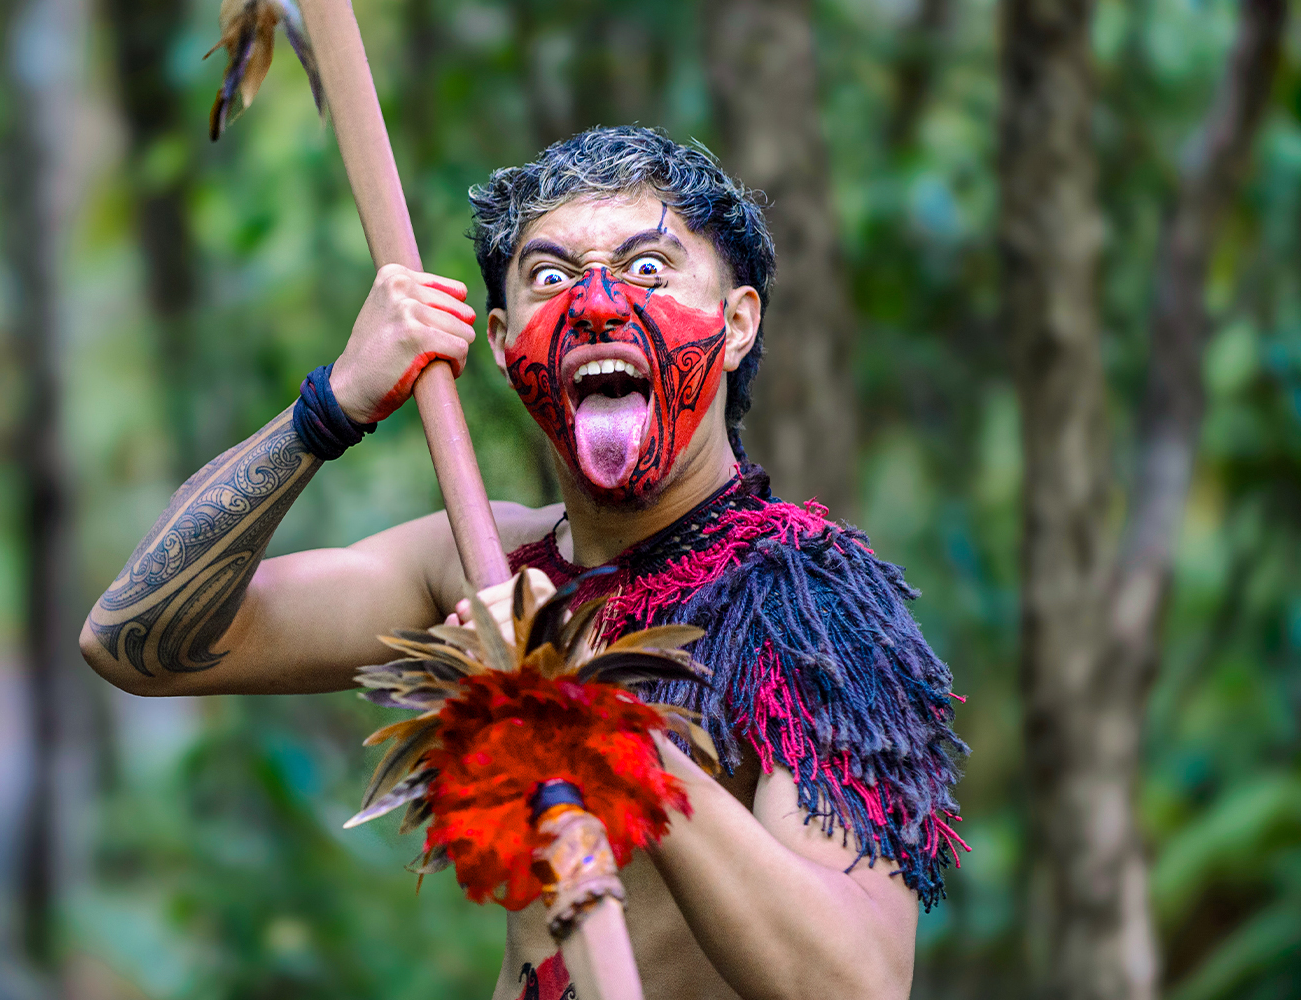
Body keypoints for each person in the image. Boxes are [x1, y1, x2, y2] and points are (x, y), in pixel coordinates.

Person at [81, 126, 966, 1000]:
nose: (598, 306)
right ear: (504, 345)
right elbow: (134, 640)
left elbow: (852, 986)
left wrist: (601, 728)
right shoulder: (480, 561)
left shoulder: (809, 603)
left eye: (648, 268)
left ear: (735, 324)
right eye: (551, 277)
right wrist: (331, 405)